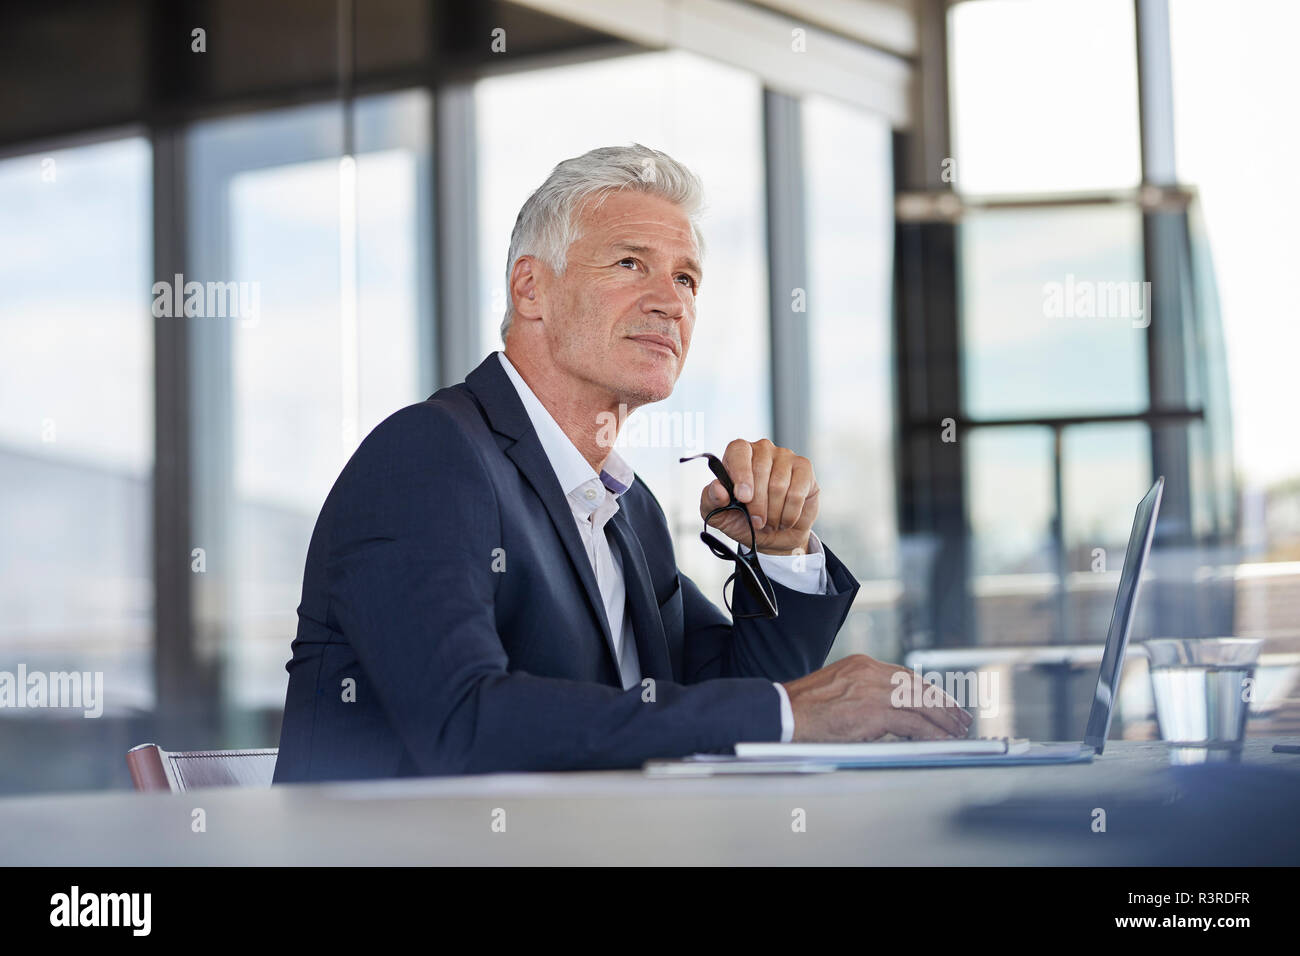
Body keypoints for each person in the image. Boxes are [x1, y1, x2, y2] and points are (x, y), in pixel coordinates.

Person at [273, 144, 971, 783]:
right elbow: (465, 722)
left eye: (688, 278)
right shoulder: (429, 456)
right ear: (530, 290)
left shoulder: (625, 508)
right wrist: (787, 713)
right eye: (631, 263)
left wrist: (782, 554)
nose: (671, 302)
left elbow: (720, 697)